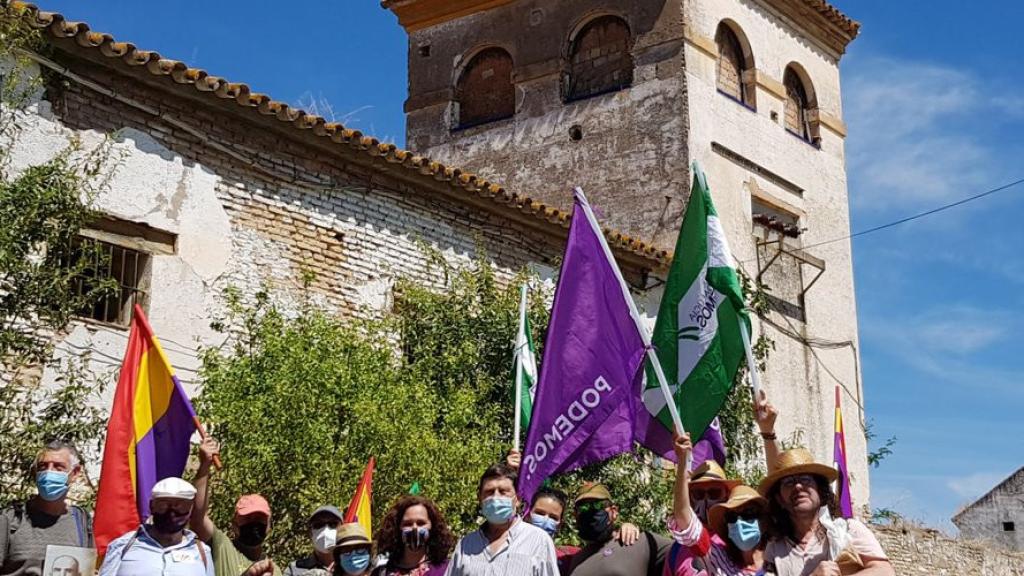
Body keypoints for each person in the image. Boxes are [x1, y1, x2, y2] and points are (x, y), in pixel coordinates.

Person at [759, 448, 894, 576]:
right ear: (779, 499)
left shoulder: (848, 530)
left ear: (820, 491)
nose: (798, 486)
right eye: (788, 483)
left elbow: (885, 571)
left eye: (805, 479)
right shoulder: (774, 549)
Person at [665, 433, 765, 576]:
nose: (740, 522)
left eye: (714, 493)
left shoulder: (780, 556)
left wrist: (768, 433)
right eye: (698, 494)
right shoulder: (714, 555)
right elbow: (684, 518)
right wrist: (682, 461)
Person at [446, 463, 558, 576]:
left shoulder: (539, 541)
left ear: (518, 499)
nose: (496, 497)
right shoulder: (466, 545)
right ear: (479, 499)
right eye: (489, 492)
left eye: (503, 491)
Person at [1, 440, 94, 576]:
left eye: (58, 467)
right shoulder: (10, 519)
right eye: (43, 466)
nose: (49, 472)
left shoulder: (81, 521)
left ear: (74, 473)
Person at [190, 438, 281, 576]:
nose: (254, 524)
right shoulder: (221, 547)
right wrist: (204, 466)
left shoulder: (275, 570)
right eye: (247, 518)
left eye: (259, 519)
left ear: (269, 526)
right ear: (234, 524)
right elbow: (198, 518)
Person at [99, 477, 213, 576]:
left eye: (180, 506)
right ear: (151, 506)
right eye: (163, 505)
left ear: (191, 509)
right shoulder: (122, 546)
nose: (172, 512)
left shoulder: (202, 552)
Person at [564, 483, 671, 576]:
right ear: (575, 515)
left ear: (614, 511)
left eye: (599, 505)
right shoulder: (576, 560)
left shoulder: (640, 542)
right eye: (584, 508)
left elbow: (684, 552)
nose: (591, 512)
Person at [371, 495, 453, 576]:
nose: (414, 528)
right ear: (397, 528)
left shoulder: (447, 570)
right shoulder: (381, 573)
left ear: (432, 527)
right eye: (408, 524)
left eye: (421, 523)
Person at [285, 506, 345, 576]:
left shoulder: (353, 566)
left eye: (333, 524)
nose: (325, 529)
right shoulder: (294, 569)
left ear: (342, 528)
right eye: (319, 525)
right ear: (310, 532)